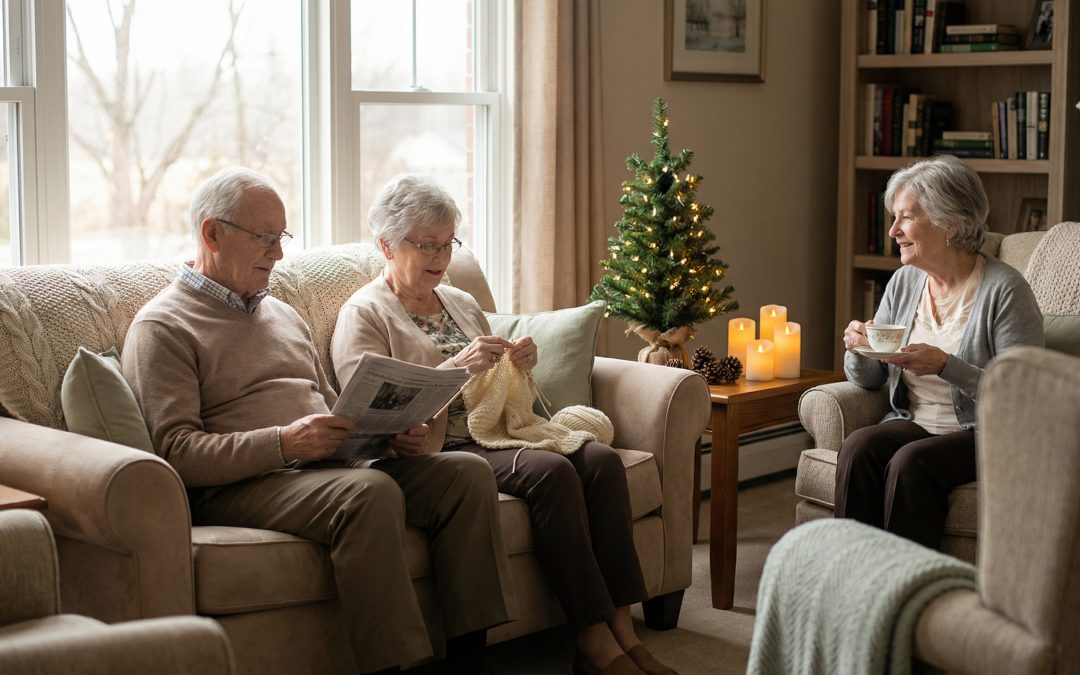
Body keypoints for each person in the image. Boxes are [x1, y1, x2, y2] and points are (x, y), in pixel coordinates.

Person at [121, 166, 516, 675]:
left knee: (463, 475)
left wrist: (383, 437)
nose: (278, 253)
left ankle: (467, 660)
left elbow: (337, 405)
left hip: (324, 465)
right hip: (247, 482)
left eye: (281, 237)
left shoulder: (282, 314)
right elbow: (175, 451)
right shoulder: (164, 325)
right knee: (369, 494)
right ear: (211, 233)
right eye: (264, 238)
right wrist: (284, 443)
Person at [331, 175, 677, 675]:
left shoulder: (460, 302)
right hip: (440, 451)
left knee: (601, 461)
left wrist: (521, 361)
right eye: (425, 244)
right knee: (551, 472)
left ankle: (625, 629)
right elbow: (370, 411)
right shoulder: (364, 314)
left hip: (499, 431)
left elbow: (497, 384)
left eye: (447, 242)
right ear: (386, 244)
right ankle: (592, 640)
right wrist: (457, 367)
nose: (440, 257)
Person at [835, 154, 1044, 549]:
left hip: (985, 433)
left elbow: (1024, 397)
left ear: (950, 223)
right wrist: (859, 349)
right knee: (859, 446)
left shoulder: (1005, 290)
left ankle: (908, 593)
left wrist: (947, 366)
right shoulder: (904, 282)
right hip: (914, 421)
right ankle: (852, 578)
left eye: (906, 218)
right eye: (894, 218)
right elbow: (870, 378)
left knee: (910, 462)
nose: (894, 230)